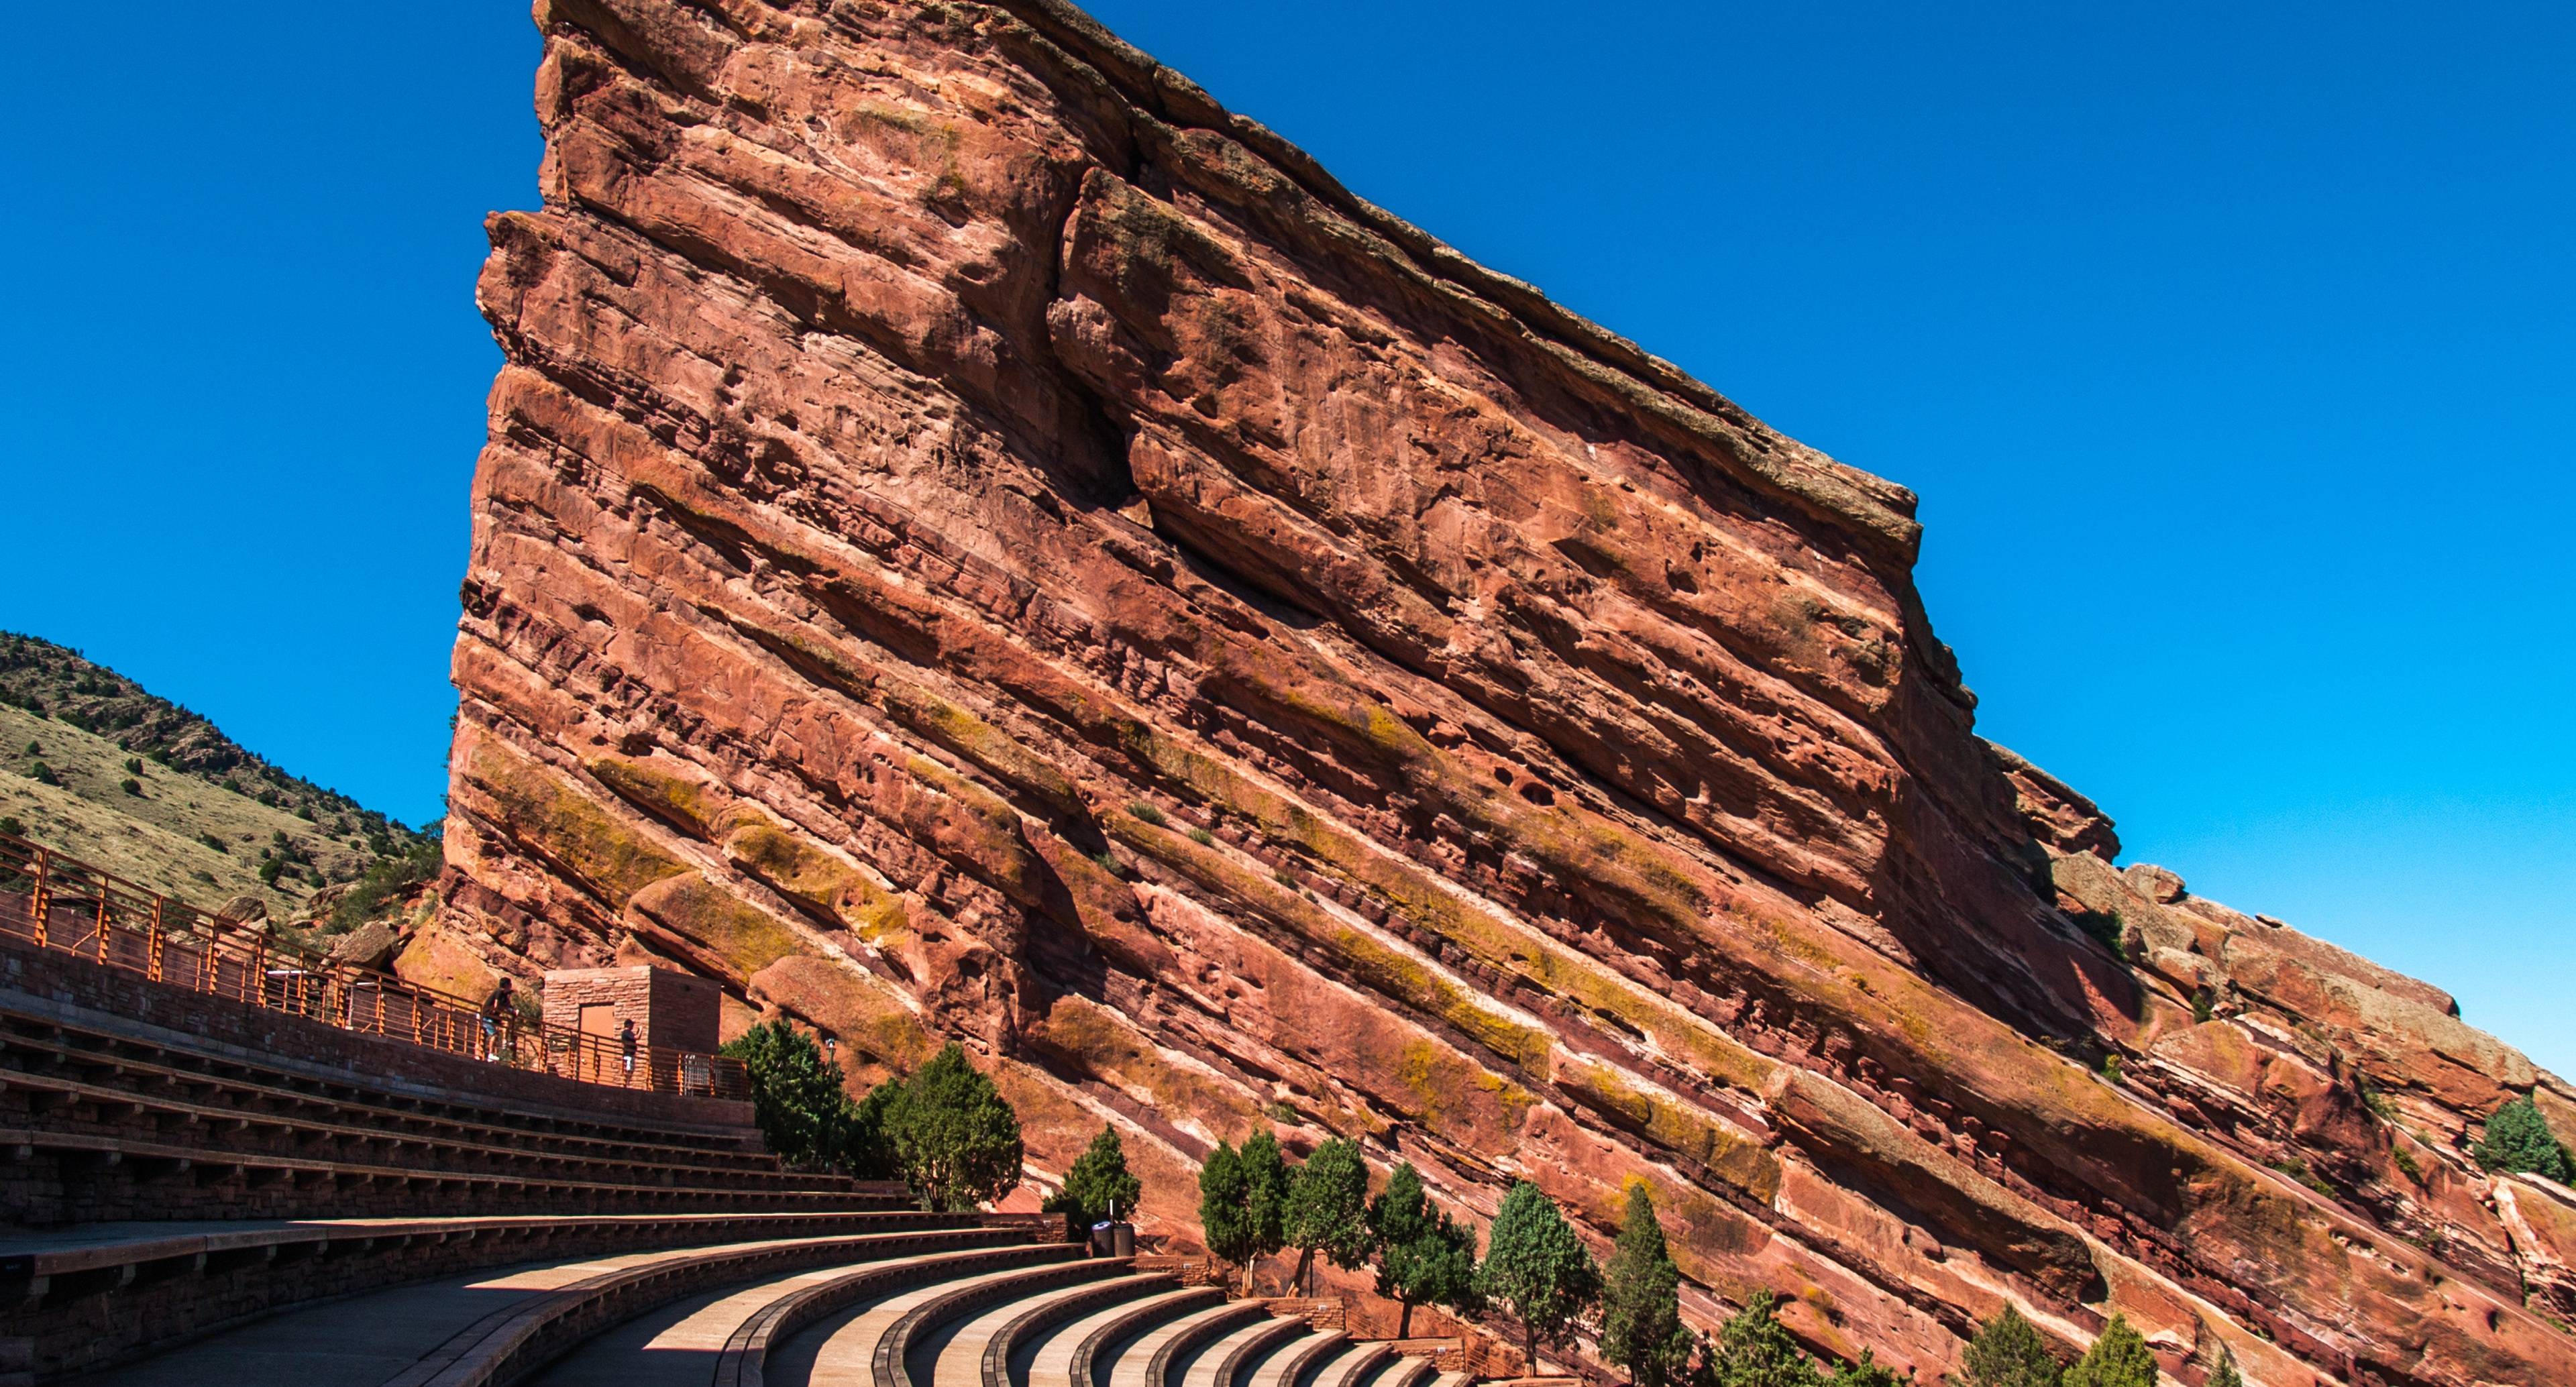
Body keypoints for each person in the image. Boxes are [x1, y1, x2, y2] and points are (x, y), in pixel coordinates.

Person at [479, 977, 515, 1062]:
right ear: (506, 985)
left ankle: (505, 1042)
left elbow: (508, 1006)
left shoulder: (505, 995)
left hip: (494, 1016)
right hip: (487, 1016)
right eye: (510, 984)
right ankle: (490, 1055)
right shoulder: (499, 992)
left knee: (506, 1023)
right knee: (494, 1034)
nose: (511, 986)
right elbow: (496, 1006)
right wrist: (507, 1009)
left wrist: (513, 1010)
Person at [619, 1017, 638, 1085]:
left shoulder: (629, 1033)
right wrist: (641, 1030)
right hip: (628, 1054)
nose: (633, 1026)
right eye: (632, 1024)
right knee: (628, 1069)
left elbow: (634, 1037)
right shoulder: (626, 1032)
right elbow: (637, 1037)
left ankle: (627, 1083)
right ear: (628, 1025)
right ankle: (625, 1084)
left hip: (631, 1054)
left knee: (631, 1070)